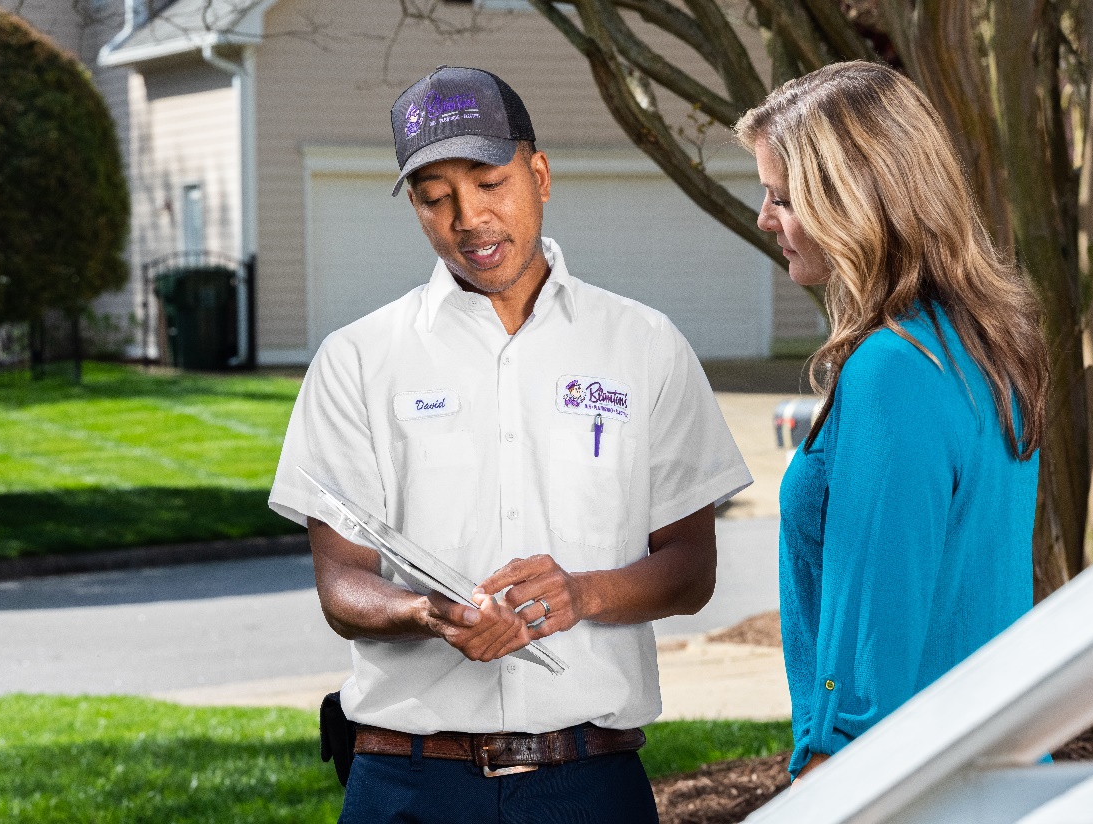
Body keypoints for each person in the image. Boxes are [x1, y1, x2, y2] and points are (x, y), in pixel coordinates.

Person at [268, 66, 752, 823]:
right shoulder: (357, 359)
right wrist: (428, 613)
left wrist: (583, 593)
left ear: (540, 174)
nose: (469, 218)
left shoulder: (644, 345)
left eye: (490, 182)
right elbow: (342, 586)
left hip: (589, 783)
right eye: (435, 197)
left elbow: (689, 570)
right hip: (410, 784)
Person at [733, 61, 1049, 784]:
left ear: (854, 198)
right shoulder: (981, 345)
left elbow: (876, 636)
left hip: (904, 778)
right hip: (989, 764)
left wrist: (830, 777)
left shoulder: (894, 370)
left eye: (783, 197)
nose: (764, 218)